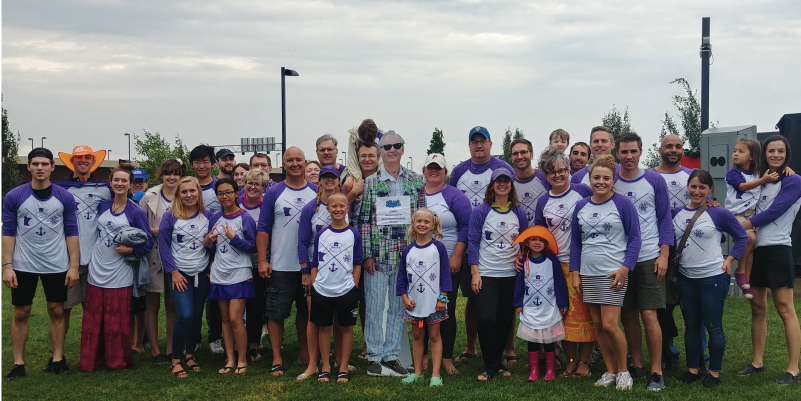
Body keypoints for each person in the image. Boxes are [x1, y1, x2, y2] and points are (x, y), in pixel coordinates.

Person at [3, 148, 80, 379]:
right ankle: (18, 364)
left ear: (52, 168)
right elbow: (8, 232)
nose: (40, 168)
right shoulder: (14, 196)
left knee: (57, 310)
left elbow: (72, 232)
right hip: (23, 263)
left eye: (45, 164)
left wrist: (73, 266)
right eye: (35, 164)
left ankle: (58, 359)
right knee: (20, 313)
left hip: (56, 263)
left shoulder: (64, 197)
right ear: (28, 167)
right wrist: (7, 266)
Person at [569, 154, 641, 391]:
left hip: (613, 273)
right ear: (589, 179)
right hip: (588, 273)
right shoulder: (580, 206)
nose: (601, 182)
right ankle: (610, 370)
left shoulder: (623, 204)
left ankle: (623, 371)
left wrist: (624, 269)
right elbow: (576, 243)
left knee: (611, 324)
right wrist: (575, 272)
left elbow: (635, 239)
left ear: (614, 179)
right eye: (596, 177)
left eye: (606, 178)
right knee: (598, 325)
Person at [359, 131, 426, 377]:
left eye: (396, 145)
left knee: (398, 308)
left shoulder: (416, 182)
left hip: (405, 257)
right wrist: (367, 254)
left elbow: (423, 218)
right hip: (378, 255)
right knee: (376, 307)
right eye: (387, 146)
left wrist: (420, 251)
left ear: (403, 149)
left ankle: (391, 355)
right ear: (380, 151)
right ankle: (375, 357)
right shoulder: (371, 183)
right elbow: (364, 220)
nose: (392, 150)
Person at [673, 169, 748, 388]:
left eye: (702, 188)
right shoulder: (676, 213)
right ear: (687, 187)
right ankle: (693, 369)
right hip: (686, 277)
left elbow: (742, 237)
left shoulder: (718, 213)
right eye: (693, 186)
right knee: (691, 326)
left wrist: (730, 259)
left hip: (712, 277)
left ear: (710, 190)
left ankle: (714, 372)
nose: (697, 191)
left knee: (713, 326)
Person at [738, 135, 801, 385]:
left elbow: (776, 210)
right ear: (764, 154)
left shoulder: (793, 180)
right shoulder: (760, 181)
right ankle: (757, 362)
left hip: (778, 250)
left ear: (787, 154)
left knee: (785, 308)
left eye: (780, 151)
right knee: (757, 308)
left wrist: (742, 224)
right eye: (771, 151)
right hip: (756, 251)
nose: (775, 155)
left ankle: (794, 368)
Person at [79, 164, 154, 372]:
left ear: (130, 185)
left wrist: (131, 251)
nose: (120, 184)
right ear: (110, 183)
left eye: (124, 181)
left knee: (117, 319)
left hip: (120, 271)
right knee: (93, 318)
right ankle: (91, 360)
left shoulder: (135, 211)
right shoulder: (101, 206)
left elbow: (147, 241)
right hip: (97, 266)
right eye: (116, 180)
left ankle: (117, 360)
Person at [449, 126, 513, 364]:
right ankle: (470, 346)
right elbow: (451, 201)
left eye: (482, 141)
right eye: (474, 142)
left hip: (499, 243)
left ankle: (509, 349)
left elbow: (512, 198)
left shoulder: (503, 169)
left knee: (505, 298)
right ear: (469, 145)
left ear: (490, 143)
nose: (478, 145)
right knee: (474, 296)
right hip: (469, 241)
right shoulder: (459, 171)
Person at [613, 132, 672, 391]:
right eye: (624, 152)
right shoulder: (609, 179)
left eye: (633, 151)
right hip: (620, 259)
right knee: (627, 314)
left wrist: (664, 254)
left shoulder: (654, 179)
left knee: (649, 314)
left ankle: (656, 371)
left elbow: (664, 219)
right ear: (617, 153)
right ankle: (636, 364)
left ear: (641, 152)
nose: (628, 156)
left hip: (649, 256)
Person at [533, 147, 595, 378]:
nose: (557, 175)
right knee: (564, 317)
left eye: (562, 170)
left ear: (569, 171)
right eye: (552, 172)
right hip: (555, 267)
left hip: (582, 264)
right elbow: (539, 233)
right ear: (546, 175)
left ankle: (584, 362)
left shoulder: (583, 192)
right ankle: (570, 361)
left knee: (584, 316)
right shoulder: (543, 201)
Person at [257, 146, 318, 376]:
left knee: (307, 313)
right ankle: (277, 358)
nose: (295, 164)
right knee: (276, 313)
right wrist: (263, 260)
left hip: (308, 266)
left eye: (299, 160)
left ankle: (305, 354)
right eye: (290, 160)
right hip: (281, 264)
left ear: (305, 162)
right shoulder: (274, 192)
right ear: (283, 164)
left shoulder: (316, 191)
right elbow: (263, 227)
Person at [468, 168, 529, 381]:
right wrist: (475, 272)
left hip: (511, 274)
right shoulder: (481, 211)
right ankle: (491, 363)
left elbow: (524, 242)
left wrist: (521, 256)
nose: (502, 184)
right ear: (492, 185)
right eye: (498, 181)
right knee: (485, 318)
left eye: (506, 181)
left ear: (511, 185)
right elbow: (473, 243)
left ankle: (494, 364)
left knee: (504, 320)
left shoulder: (518, 212)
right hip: (487, 272)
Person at [54, 145, 111, 368]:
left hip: (96, 259)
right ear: (72, 162)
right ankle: (58, 355)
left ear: (93, 161)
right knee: (63, 308)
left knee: (94, 309)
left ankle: (93, 353)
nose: (84, 161)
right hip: (67, 259)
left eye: (88, 157)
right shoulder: (59, 189)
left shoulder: (105, 188)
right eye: (79, 158)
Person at [653, 134, 703, 371]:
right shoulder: (650, 177)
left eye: (678, 146)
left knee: (695, 307)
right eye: (668, 146)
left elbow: (704, 205)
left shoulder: (690, 177)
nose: (673, 150)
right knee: (664, 306)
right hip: (660, 249)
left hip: (690, 250)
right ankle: (668, 354)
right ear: (660, 149)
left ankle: (699, 356)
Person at [297, 165, 351, 380]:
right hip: (317, 272)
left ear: (339, 181)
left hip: (342, 273)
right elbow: (302, 242)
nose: (329, 180)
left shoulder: (346, 205)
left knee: (339, 319)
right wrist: (305, 271)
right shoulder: (312, 208)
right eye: (325, 177)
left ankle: (339, 360)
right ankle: (313, 364)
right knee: (314, 319)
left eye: (333, 177)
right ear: (319, 181)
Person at [158, 176, 213, 377]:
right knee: (185, 315)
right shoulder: (171, 216)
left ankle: (190, 354)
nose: (189, 195)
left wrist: (209, 247)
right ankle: (175, 358)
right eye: (184, 192)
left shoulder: (208, 215)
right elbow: (163, 246)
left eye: (192, 191)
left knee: (197, 315)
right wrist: (173, 272)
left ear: (199, 192)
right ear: (178, 195)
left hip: (201, 272)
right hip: (180, 273)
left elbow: (212, 243)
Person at [421, 153, 470, 375]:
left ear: (444, 171)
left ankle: (447, 358)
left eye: (438, 168)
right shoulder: (416, 194)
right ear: (424, 171)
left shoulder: (455, 195)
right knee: (421, 310)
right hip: (420, 264)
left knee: (446, 310)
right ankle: (422, 356)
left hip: (448, 263)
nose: (434, 171)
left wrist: (457, 256)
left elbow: (467, 225)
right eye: (430, 167)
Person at [309, 193, 363, 383]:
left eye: (342, 206)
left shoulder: (353, 234)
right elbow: (314, 261)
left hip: (346, 289)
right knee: (324, 328)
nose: (338, 209)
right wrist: (315, 284)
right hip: (323, 289)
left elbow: (357, 263)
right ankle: (325, 366)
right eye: (334, 206)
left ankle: (343, 367)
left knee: (346, 328)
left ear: (348, 209)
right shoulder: (322, 234)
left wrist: (354, 286)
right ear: (328, 209)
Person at [205, 178, 257, 375]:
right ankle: (230, 359)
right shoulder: (214, 218)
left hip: (240, 272)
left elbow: (253, 246)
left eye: (228, 192)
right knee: (224, 319)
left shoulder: (245, 218)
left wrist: (235, 239)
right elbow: (210, 248)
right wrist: (207, 242)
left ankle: (242, 359)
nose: (224, 196)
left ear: (237, 194)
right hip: (219, 273)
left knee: (236, 318)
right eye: (220, 193)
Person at [397, 208, 452, 387]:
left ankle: (435, 374)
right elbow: (402, 277)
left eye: (426, 222)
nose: (422, 224)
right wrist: (405, 298)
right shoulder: (407, 251)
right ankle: (418, 372)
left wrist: (442, 298)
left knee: (435, 336)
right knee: (418, 335)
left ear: (433, 225)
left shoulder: (439, 248)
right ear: (413, 224)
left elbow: (445, 274)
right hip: (414, 303)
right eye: (418, 221)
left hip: (434, 303)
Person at [138, 159, 186, 364]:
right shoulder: (149, 197)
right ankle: (155, 350)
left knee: (172, 304)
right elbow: (139, 226)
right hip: (154, 254)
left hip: (179, 255)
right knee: (152, 303)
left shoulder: (187, 194)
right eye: (168, 173)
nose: (172, 177)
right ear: (161, 175)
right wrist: (158, 231)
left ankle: (170, 348)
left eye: (176, 173)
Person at [512, 226, 567, 382]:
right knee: (532, 341)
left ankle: (550, 370)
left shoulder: (552, 260)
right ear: (527, 242)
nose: (537, 243)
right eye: (534, 239)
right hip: (530, 307)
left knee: (550, 340)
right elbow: (519, 284)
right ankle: (534, 371)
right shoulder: (523, 260)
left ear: (546, 244)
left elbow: (559, 282)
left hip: (548, 306)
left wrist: (562, 301)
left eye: (541, 240)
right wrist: (518, 303)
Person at [342, 141, 380, 360]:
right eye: (363, 156)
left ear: (378, 157)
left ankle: (370, 342)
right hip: (350, 245)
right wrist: (353, 193)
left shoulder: (384, 180)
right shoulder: (350, 181)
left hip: (376, 244)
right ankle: (346, 343)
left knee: (371, 299)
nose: (367, 159)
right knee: (353, 295)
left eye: (371, 156)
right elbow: (338, 208)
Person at [189, 145, 223, 353]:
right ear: (192, 165)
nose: (201, 166)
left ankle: (215, 337)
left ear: (213, 164)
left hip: (219, 250)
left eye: (205, 161)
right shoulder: (187, 186)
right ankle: (193, 338)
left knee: (215, 297)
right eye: (197, 162)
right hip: (191, 251)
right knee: (193, 298)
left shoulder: (220, 187)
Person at [239, 168, 269, 361]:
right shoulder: (235, 204)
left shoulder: (267, 206)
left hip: (259, 264)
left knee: (256, 307)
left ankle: (253, 346)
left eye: (257, 183)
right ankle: (235, 345)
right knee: (236, 308)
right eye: (249, 182)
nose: (252, 186)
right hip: (237, 264)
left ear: (263, 187)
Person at [511, 138, 552, 226]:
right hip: (519, 236)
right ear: (511, 158)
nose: (519, 156)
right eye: (515, 153)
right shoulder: (508, 184)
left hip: (542, 236)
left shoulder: (546, 177)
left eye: (523, 152)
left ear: (532, 155)